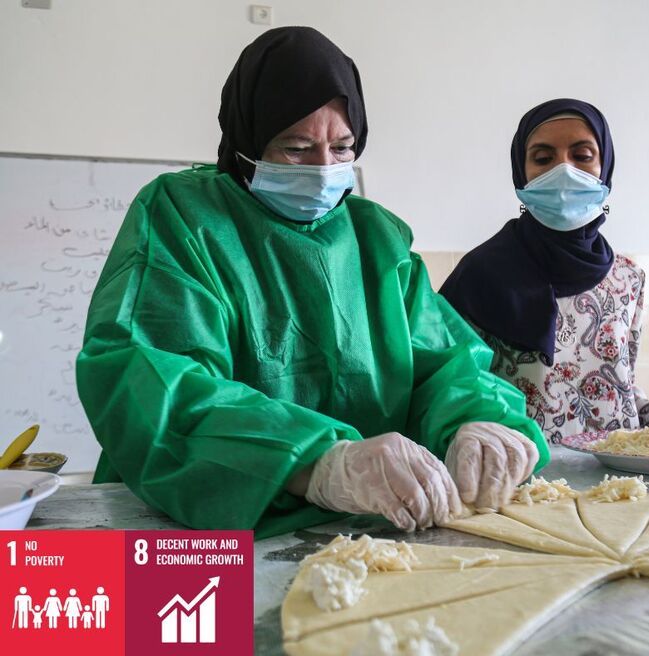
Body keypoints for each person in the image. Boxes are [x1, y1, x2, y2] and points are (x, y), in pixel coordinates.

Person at [76, 27, 548, 538]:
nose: (324, 169)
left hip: (366, 527)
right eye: (297, 148)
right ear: (246, 143)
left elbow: (441, 364)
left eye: (343, 147)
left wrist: (475, 421)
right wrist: (314, 461)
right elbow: (150, 382)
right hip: (201, 526)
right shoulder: (181, 219)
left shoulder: (376, 239)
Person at [440, 99, 649, 443]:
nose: (563, 170)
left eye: (583, 155)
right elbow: (449, 394)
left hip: (619, 486)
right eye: (543, 159)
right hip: (526, 486)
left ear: (605, 169)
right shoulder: (479, 276)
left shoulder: (627, 279)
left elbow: (619, 388)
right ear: (522, 172)